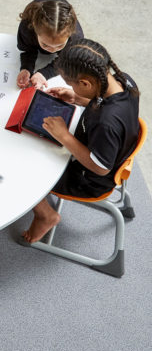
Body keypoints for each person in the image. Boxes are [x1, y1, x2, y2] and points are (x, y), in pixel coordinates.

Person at [22, 40, 140, 243]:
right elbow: (103, 105)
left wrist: (64, 136)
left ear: (86, 83)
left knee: (21, 168)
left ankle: (45, 214)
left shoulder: (107, 123)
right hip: (106, 145)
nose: (71, 88)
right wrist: (78, 98)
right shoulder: (124, 82)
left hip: (87, 180)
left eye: (72, 84)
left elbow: (101, 167)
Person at [16, 0, 84, 89]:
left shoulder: (76, 38)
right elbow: (28, 49)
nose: (52, 51)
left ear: (70, 35)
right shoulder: (26, 26)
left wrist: (44, 74)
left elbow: (69, 60)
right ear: (34, 28)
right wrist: (26, 68)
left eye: (60, 46)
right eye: (45, 44)